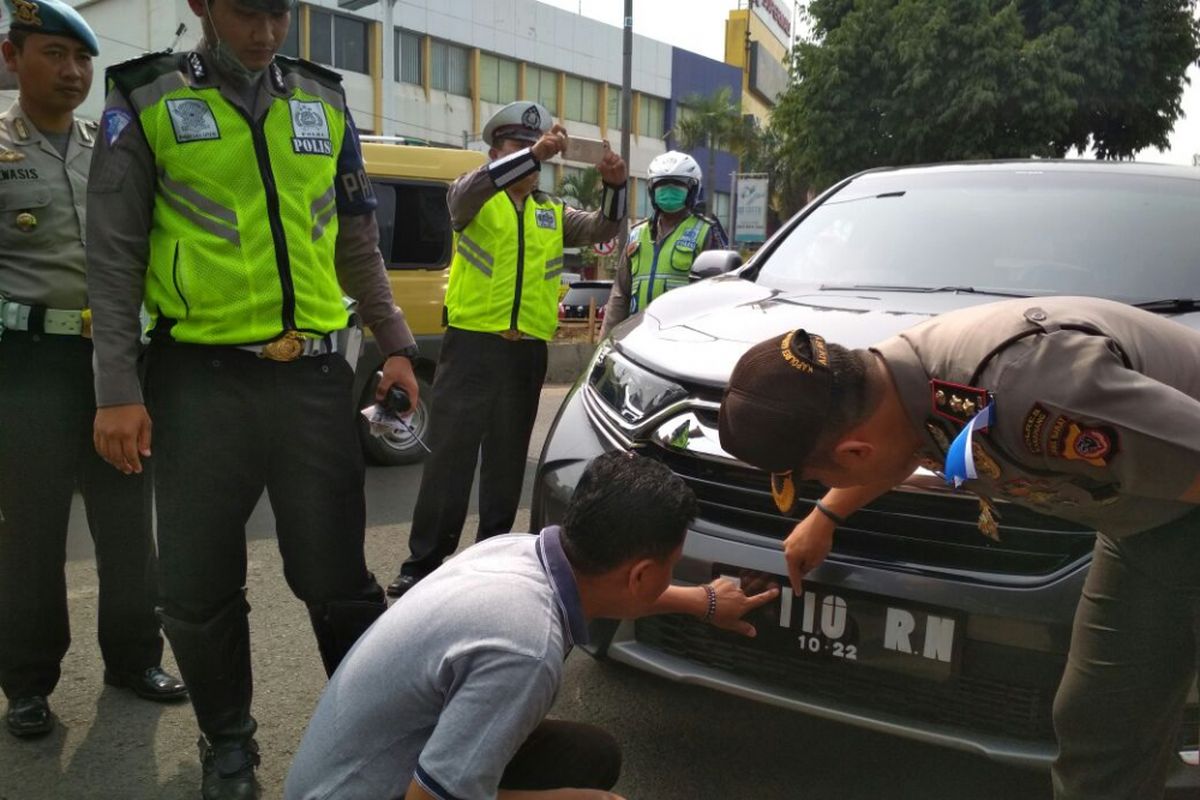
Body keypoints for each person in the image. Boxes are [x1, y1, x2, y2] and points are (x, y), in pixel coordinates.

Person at [85, 0, 421, 797]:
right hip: (200, 383)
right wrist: (115, 388)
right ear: (201, 5)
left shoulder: (322, 99)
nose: (265, 32)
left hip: (310, 381)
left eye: (278, 12)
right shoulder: (147, 97)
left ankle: (371, 733)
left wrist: (398, 344)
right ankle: (228, 744)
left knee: (338, 579)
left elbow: (357, 239)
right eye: (245, 11)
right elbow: (112, 253)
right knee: (198, 588)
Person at [717, 296, 1200, 800]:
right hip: (1144, 524)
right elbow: (919, 445)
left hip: (1182, 508)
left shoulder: (1033, 393)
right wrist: (827, 514)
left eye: (816, 480)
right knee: (1100, 720)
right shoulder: (888, 387)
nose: (820, 489)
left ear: (854, 452)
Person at [286, 451, 779, 800]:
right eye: (672, 565)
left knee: (590, 756)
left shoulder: (518, 552)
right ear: (642, 573)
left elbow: (618, 590)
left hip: (347, 770)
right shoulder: (526, 648)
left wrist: (704, 601)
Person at [0, 0, 187, 741]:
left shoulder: (108, 146)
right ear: (12, 58)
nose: (74, 72)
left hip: (113, 363)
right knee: (31, 534)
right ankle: (26, 682)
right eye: (54, 54)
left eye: (82, 59)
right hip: (27, 367)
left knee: (126, 527)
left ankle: (135, 659)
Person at [386, 101, 628, 598]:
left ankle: (490, 559)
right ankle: (424, 561)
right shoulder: (472, 196)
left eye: (535, 150)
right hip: (472, 346)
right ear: (495, 151)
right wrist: (534, 153)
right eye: (519, 147)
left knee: (507, 461)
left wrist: (617, 186)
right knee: (450, 458)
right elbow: (464, 198)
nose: (531, 160)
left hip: (525, 354)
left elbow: (604, 228)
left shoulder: (551, 211)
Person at [600, 151, 727, 337]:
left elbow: (719, 295)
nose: (669, 191)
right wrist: (604, 342)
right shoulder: (636, 234)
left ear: (692, 190)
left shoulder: (706, 232)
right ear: (652, 190)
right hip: (637, 337)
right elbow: (620, 294)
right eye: (662, 185)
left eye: (677, 185)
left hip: (682, 339)